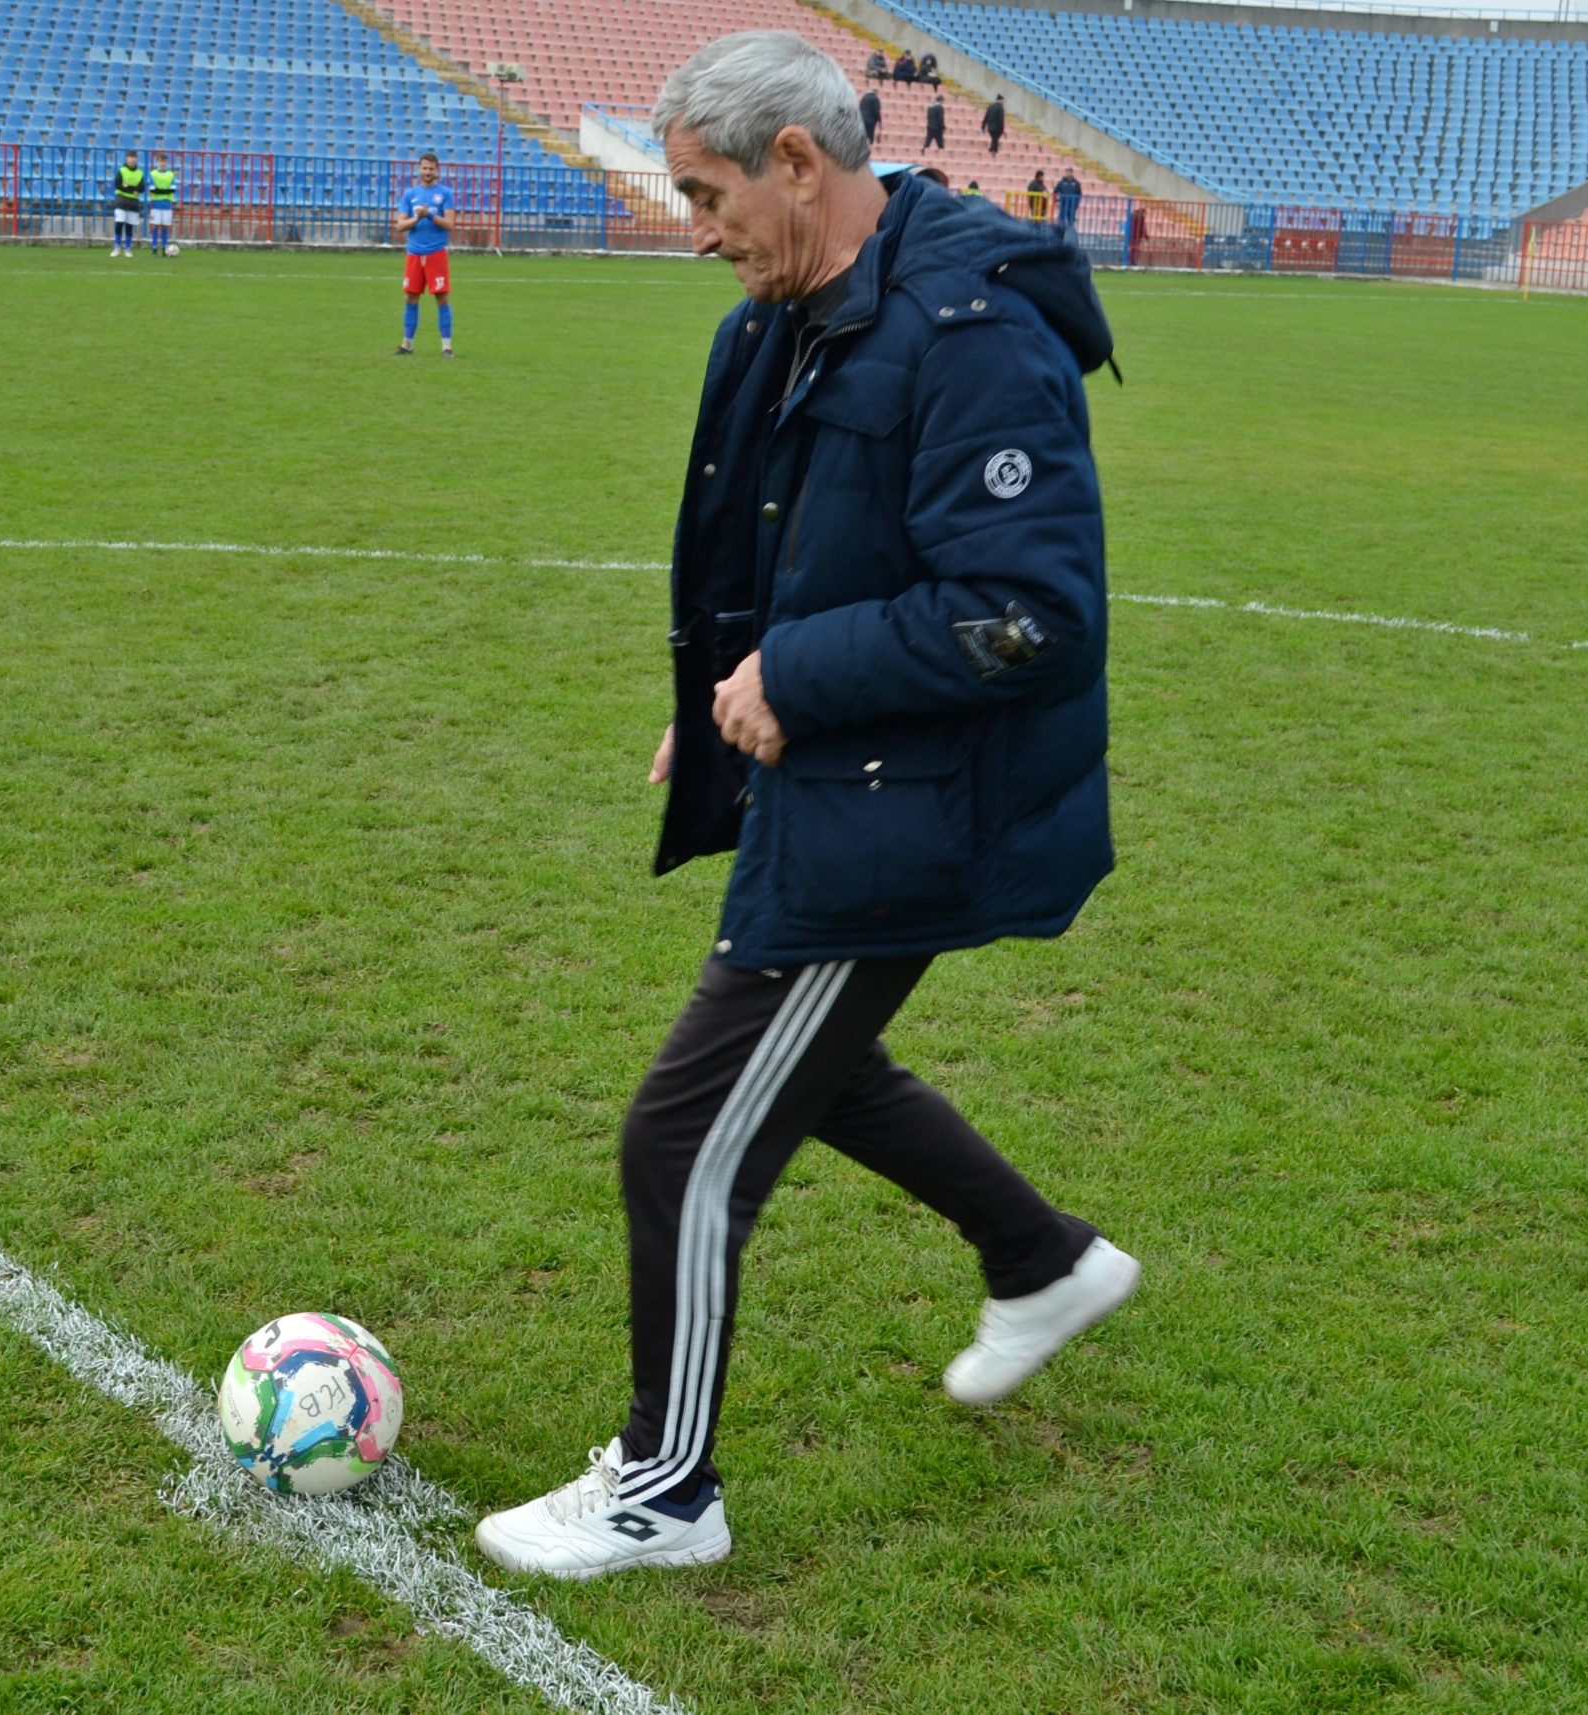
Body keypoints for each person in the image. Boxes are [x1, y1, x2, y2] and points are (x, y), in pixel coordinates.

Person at [473, 29, 1134, 1582]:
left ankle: (665, 1488)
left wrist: (800, 675)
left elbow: (1031, 613)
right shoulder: (778, 319)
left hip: (914, 802)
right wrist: (720, 692)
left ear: (796, 161)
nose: (695, 232)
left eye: (708, 196)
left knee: (683, 1132)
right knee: (808, 1068)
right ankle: (1041, 1256)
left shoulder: (973, 331)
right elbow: (789, 553)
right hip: (833, 771)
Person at [391, 149, 453, 357]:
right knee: (410, 298)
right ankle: (407, 344)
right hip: (414, 254)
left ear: (437, 170)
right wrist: (417, 218)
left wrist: (429, 216)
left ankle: (446, 347)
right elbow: (400, 226)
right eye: (424, 168)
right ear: (419, 170)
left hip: (436, 253)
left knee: (442, 298)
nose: (427, 172)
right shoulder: (410, 195)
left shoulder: (445, 193)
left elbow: (449, 224)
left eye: (431, 169)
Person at [109, 148, 145, 256]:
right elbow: (118, 184)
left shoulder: (139, 173)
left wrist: (127, 186)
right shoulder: (122, 170)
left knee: (129, 226)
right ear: (127, 159)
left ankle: (128, 248)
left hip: (133, 202)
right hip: (121, 200)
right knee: (119, 223)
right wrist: (133, 189)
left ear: (136, 159)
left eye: (134, 158)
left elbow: (141, 188)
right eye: (130, 158)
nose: (132, 160)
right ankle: (117, 247)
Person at [144, 151, 175, 253]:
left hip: (167, 204)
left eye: (164, 161)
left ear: (167, 162)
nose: (162, 163)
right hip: (156, 204)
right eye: (161, 161)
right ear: (157, 162)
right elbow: (152, 190)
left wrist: (159, 191)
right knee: (155, 226)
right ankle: (154, 247)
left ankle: (165, 247)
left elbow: (173, 189)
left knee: (165, 226)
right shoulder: (153, 174)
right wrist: (165, 191)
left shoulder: (171, 174)